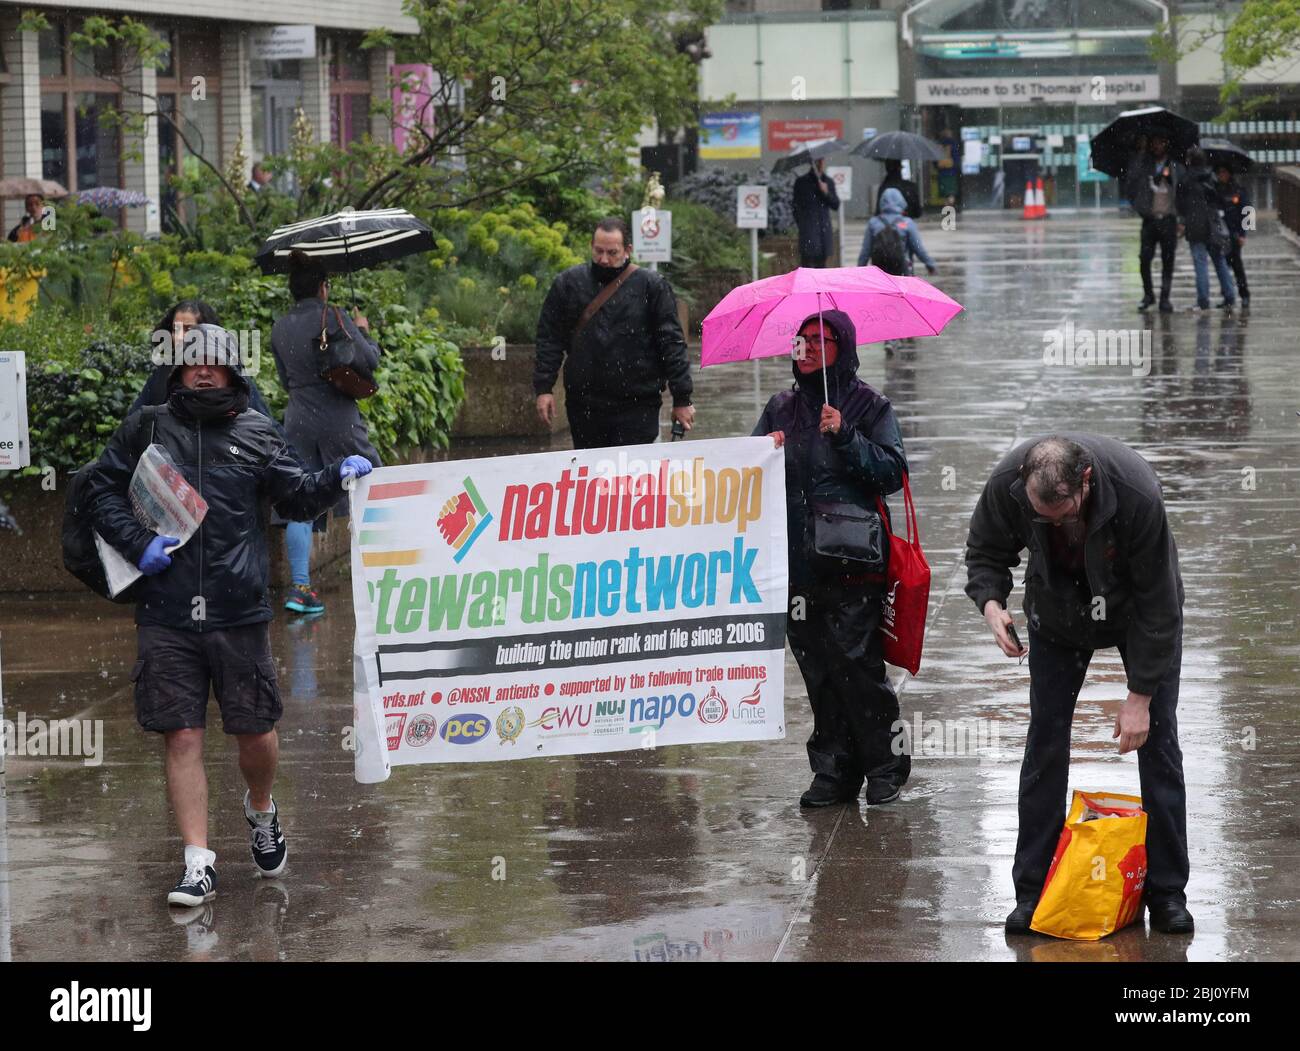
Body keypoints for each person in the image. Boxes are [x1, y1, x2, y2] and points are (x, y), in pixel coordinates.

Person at [86, 327, 373, 906]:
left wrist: (336, 477)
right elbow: (100, 490)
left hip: (238, 611)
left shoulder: (257, 432)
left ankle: (261, 808)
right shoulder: (148, 427)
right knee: (182, 732)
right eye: (193, 364)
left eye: (216, 363)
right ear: (178, 373)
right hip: (165, 613)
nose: (204, 371)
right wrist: (137, 541)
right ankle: (198, 861)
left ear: (235, 373)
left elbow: (294, 495)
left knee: (255, 732)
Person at [964, 434, 1191, 936]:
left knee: (1158, 743)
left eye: (1060, 512)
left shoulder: (1136, 492)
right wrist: (992, 604)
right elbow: (984, 552)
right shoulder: (1008, 484)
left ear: (1084, 482)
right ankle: (1033, 890)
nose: (1050, 523)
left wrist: (1140, 698)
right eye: (1039, 515)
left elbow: (1161, 605)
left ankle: (1169, 893)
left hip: (1135, 614)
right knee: (1045, 743)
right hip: (1058, 614)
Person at [753, 309, 911, 809]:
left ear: (844, 346)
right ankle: (833, 771)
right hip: (796, 564)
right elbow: (745, 473)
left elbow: (890, 472)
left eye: (823, 340)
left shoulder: (869, 405)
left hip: (851, 562)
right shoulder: (780, 407)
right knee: (817, 670)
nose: (810, 348)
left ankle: (885, 765)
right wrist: (765, 450)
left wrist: (846, 436)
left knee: (857, 667)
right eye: (803, 340)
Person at [271, 250, 381, 614]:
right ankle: (385, 571)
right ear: (323, 287)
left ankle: (301, 589)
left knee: (299, 496)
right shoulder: (333, 316)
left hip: (297, 417)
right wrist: (363, 331)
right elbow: (368, 360)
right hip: (337, 415)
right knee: (370, 484)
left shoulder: (279, 327)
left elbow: (286, 379)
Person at [534, 217, 694, 449]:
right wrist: (543, 388)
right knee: (592, 477)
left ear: (628, 250)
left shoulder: (651, 286)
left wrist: (682, 399)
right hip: (585, 404)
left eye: (612, 252)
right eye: (598, 251)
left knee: (633, 476)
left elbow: (671, 344)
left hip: (638, 403)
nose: (604, 259)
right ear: (591, 246)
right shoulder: (568, 284)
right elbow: (549, 339)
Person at [132, 301, 281, 427]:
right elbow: (133, 425)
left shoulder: (229, 372)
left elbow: (267, 429)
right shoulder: (161, 375)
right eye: (175, 329)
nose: (179, 337)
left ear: (208, 331)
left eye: (188, 329)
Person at [1124, 135, 1183, 313]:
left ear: (1166, 144)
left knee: (1168, 261)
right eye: (1154, 142)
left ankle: (1165, 298)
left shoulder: (1174, 165)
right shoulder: (1144, 164)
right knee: (1144, 259)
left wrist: (1182, 219)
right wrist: (1142, 152)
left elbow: (1183, 190)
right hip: (1149, 220)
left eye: (1161, 142)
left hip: (1168, 220)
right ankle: (1148, 295)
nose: (1157, 146)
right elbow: (1131, 182)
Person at [1177, 147, 1236, 314]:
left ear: (1189, 160)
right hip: (1213, 223)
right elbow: (1221, 198)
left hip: (1195, 224)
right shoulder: (1212, 177)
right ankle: (1230, 295)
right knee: (1219, 260)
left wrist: (1183, 220)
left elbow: (1180, 205)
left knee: (1200, 263)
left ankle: (1203, 300)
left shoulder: (1185, 179)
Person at [857, 188, 937, 277]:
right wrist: (930, 265)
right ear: (901, 202)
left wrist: (859, 271)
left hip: (880, 272)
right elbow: (918, 248)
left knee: (884, 290)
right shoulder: (907, 223)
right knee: (903, 290)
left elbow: (865, 251)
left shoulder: (873, 223)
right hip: (903, 269)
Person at [1215, 165, 1251, 311]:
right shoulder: (1215, 190)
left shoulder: (1238, 190)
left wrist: (1243, 234)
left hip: (1234, 234)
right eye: (1219, 172)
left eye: (1224, 172)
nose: (1221, 175)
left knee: (1236, 265)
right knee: (1223, 266)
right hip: (1220, 234)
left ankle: (1244, 295)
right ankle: (1227, 295)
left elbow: (1248, 211)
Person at [792, 159, 840, 268]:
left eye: (821, 161)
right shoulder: (801, 182)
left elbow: (835, 204)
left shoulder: (828, 181)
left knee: (822, 270)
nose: (820, 164)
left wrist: (826, 192)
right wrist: (804, 225)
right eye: (817, 161)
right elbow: (795, 208)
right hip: (808, 233)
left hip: (823, 234)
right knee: (807, 269)